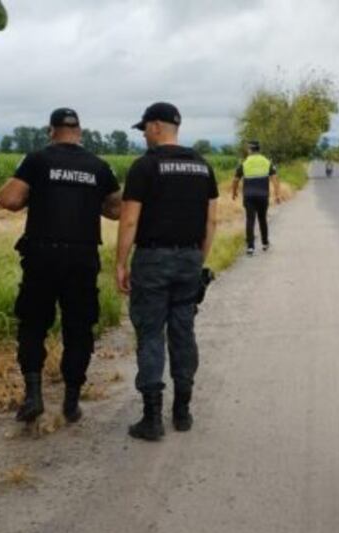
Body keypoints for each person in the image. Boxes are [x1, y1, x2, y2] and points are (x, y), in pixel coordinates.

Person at [0, 108, 121, 424]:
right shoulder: (98, 166)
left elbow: (10, 200)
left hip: (42, 255)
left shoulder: (36, 160)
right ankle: (71, 401)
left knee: (33, 324)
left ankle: (34, 395)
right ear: (79, 132)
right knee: (79, 328)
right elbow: (117, 209)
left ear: (51, 131)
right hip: (82, 257)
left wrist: (31, 195)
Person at [116, 102, 219, 441]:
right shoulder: (203, 166)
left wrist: (120, 262)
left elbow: (129, 218)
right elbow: (211, 220)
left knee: (149, 333)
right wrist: (198, 258)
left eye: (144, 127)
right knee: (183, 331)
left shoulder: (145, 167)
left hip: (153, 260)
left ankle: (152, 418)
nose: (143, 134)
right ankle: (183, 411)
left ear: (157, 126)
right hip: (190, 258)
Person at [231, 140, 280, 256]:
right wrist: (277, 195)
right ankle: (265, 243)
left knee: (250, 219)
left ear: (249, 150)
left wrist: (234, 192)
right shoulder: (266, 162)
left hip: (249, 196)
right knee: (262, 219)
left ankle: (250, 247)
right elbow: (275, 179)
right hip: (263, 196)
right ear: (258, 149)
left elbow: (235, 180)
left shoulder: (244, 163)